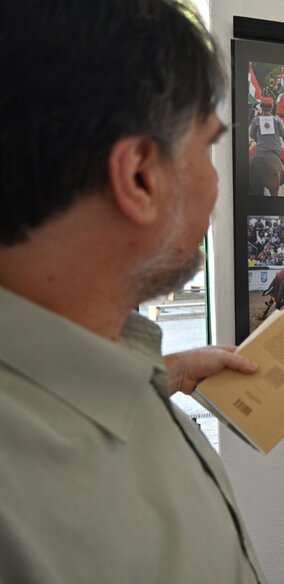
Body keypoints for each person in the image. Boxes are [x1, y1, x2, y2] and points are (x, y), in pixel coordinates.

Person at [0, 0, 266, 581]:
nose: (214, 181)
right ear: (140, 176)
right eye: (207, 147)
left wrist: (165, 373)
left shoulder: (102, 367)